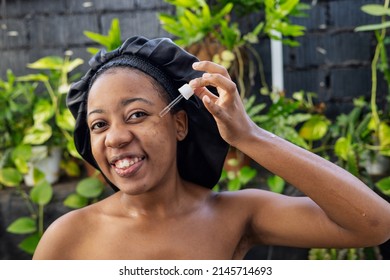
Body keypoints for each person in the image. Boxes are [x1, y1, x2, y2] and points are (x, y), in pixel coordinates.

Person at [33, 36, 390, 260]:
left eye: (137, 114)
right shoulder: (67, 239)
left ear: (179, 123)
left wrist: (249, 136)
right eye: (99, 124)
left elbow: (375, 223)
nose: (115, 137)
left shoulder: (236, 216)